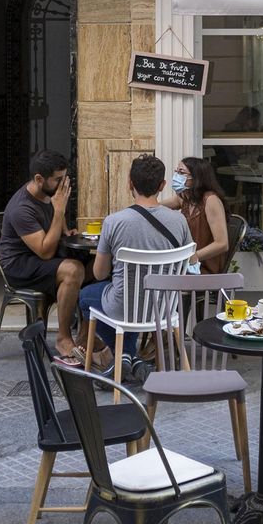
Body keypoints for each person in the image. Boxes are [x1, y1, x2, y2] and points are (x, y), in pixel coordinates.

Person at [79, 156, 193, 373]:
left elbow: (100, 273)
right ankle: (132, 358)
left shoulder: (114, 222)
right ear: (162, 185)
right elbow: (189, 264)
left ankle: (124, 355)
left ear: (130, 183)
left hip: (124, 306)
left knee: (86, 296)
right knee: (127, 297)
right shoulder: (179, 221)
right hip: (164, 307)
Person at [0, 150, 85, 363]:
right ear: (39, 179)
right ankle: (63, 338)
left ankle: (86, 337)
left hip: (41, 258)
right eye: (58, 179)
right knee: (73, 270)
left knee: (97, 266)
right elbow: (45, 251)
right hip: (20, 266)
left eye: (64, 177)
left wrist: (65, 230)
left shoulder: (48, 194)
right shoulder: (22, 208)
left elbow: (55, 221)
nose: (63, 184)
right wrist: (58, 211)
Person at [163, 157, 231, 274]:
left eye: (181, 172)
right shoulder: (185, 198)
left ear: (196, 178)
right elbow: (156, 207)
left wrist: (193, 257)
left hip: (203, 267)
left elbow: (222, 243)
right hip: (186, 266)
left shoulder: (211, 200)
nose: (176, 176)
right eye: (176, 171)